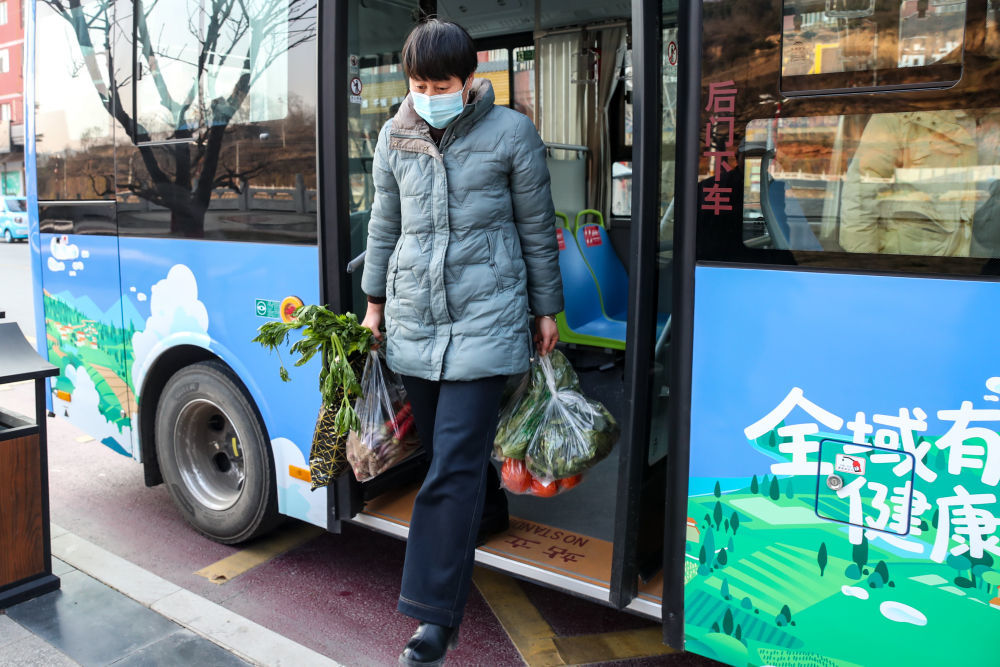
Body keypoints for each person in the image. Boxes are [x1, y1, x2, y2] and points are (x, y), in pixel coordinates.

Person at [359, 19, 563, 667]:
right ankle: (491, 510)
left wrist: (545, 308)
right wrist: (373, 303)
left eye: (440, 83)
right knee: (455, 451)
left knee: (447, 466)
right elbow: (383, 222)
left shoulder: (511, 134)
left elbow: (537, 226)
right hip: (416, 319)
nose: (428, 94)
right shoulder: (395, 135)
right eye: (418, 84)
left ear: (470, 80)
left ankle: (430, 620)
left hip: (488, 316)